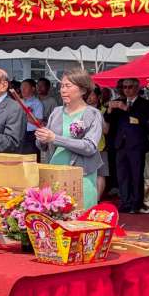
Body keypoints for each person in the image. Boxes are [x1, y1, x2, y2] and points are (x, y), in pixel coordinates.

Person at [35, 69, 103, 210]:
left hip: (80, 176)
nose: (63, 90)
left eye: (68, 86)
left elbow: (90, 147)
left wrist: (54, 138)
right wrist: (42, 138)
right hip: (55, 173)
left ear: (83, 90)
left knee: (79, 217)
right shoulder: (56, 112)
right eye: (62, 86)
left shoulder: (92, 114)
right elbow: (44, 146)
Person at [105, 78, 149, 213]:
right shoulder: (119, 101)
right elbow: (108, 121)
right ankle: (125, 202)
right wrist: (109, 109)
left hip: (136, 144)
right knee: (122, 175)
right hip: (121, 143)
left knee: (136, 175)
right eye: (124, 87)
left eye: (130, 87)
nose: (127, 90)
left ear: (137, 88)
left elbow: (144, 120)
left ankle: (136, 203)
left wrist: (126, 108)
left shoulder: (144, 103)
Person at [87, 85, 110, 200]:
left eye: (92, 95)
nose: (89, 98)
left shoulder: (104, 110)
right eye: (87, 95)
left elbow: (106, 130)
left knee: (100, 173)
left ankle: (97, 199)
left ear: (98, 97)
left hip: (100, 146)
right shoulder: (83, 110)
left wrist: (99, 116)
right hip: (85, 146)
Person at [20, 78, 44, 158]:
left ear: (33, 89)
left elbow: (38, 122)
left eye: (25, 87)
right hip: (20, 133)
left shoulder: (37, 103)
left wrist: (24, 114)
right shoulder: (20, 101)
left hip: (31, 135)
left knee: (31, 159)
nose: (22, 89)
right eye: (21, 87)